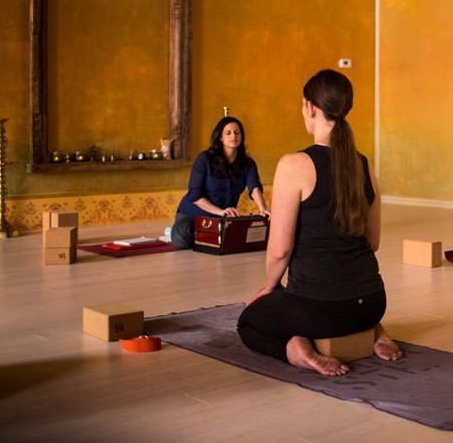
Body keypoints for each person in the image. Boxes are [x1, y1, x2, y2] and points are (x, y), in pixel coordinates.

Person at [237, 69, 401, 377]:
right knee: (341, 305)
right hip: (372, 304)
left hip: (320, 311)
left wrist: (269, 288)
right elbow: (373, 242)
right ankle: (373, 330)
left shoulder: (294, 165)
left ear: (310, 107)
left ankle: (295, 350)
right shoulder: (364, 165)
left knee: (248, 321)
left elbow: (280, 251)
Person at [170, 116, 270, 249]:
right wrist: (220, 212)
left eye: (237, 132)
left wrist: (263, 209)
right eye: (228, 133)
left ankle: (206, 235)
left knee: (238, 239)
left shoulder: (248, 163)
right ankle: (176, 231)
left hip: (222, 218)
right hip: (193, 214)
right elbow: (195, 195)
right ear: (220, 137)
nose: (233, 136)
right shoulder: (204, 159)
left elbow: (254, 188)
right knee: (182, 239)